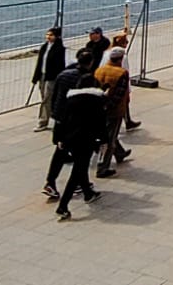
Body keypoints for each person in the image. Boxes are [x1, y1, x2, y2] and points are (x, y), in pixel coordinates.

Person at [52, 71, 106, 221]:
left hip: (69, 140)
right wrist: (104, 140)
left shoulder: (71, 99)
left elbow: (62, 120)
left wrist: (59, 138)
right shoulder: (97, 100)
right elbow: (101, 122)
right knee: (77, 172)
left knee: (80, 167)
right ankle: (63, 206)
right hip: (86, 141)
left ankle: (88, 193)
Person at [43, 49, 97, 200]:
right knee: (81, 156)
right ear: (91, 63)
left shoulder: (63, 74)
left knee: (61, 152)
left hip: (60, 119)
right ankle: (81, 186)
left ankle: (51, 182)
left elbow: (55, 96)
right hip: (75, 123)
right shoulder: (86, 79)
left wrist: (55, 113)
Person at [94, 47, 133, 177]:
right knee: (109, 139)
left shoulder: (99, 70)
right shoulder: (121, 73)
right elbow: (119, 95)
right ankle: (102, 167)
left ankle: (120, 153)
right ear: (120, 59)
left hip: (99, 108)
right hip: (114, 111)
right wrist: (109, 106)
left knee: (110, 134)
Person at [31, 27, 68, 132]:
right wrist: (35, 77)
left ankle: (43, 122)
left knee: (46, 99)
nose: (48, 37)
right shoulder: (44, 47)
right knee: (45, 98)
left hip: (52, 77)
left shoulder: (59, 49)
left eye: (51, 35)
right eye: (47, 34)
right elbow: (39, 63)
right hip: (42, 75)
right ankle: (53, 115)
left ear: (56, 36)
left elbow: (60, 65)